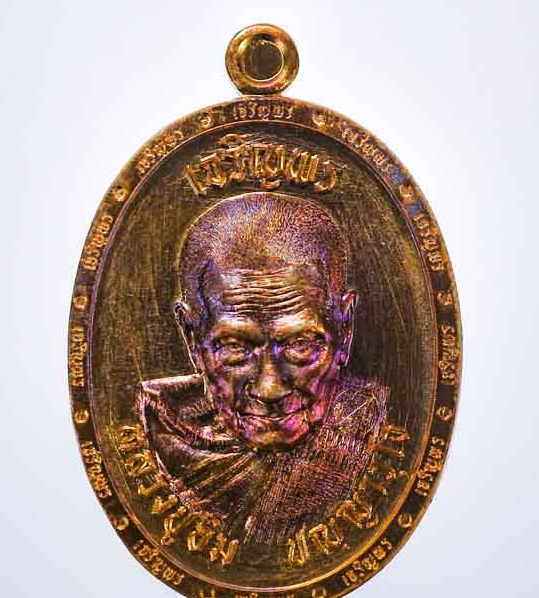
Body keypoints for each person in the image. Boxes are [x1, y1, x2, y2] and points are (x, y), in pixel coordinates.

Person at [137, 192, 388, 546]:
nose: (269, 388)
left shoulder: (373, 430)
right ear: (192, 338)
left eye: (300, 345)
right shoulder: (157, 430)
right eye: (236, 348)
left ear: (344, 329)